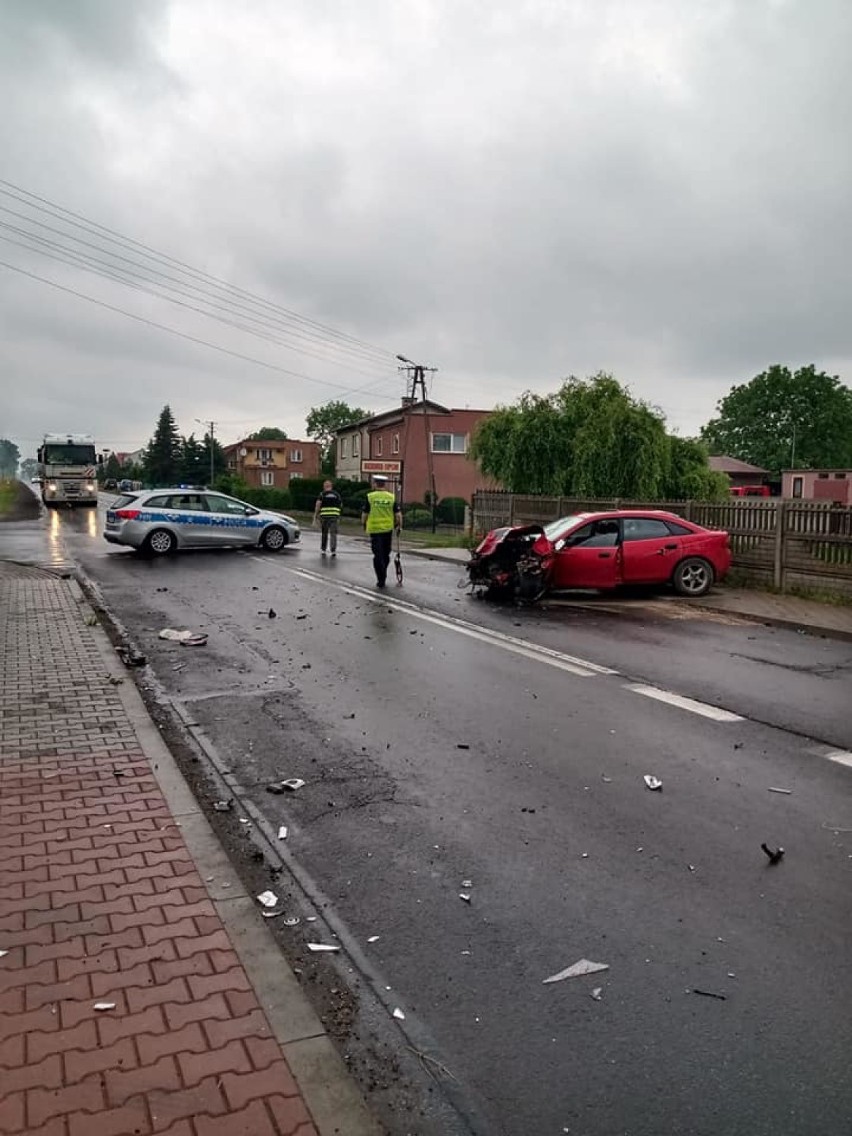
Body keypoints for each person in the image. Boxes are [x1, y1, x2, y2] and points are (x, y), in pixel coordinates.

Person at [361, 474, 401, 587]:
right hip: (388, 530)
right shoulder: (391, 497)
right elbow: (398, 515)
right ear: (384, 484)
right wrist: (399, 526)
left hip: (375, 530)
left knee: (377, 555)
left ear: (375, 483)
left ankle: (381, 577)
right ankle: (383, 572)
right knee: (385, 554)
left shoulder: (370, 497)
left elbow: (365, 514)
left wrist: (363, 524)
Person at [313, 479, 343, 556]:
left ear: (325, 486)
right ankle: (333, 550)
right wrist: (339, 516)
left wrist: (316, 515)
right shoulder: (337, 494)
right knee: (333, 534)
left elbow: (318, 505)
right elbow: (341, 505)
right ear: (331, 486)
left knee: (324, 533)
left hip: (324, 516)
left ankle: (323, 549)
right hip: (334, 516)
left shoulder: (322, 494)